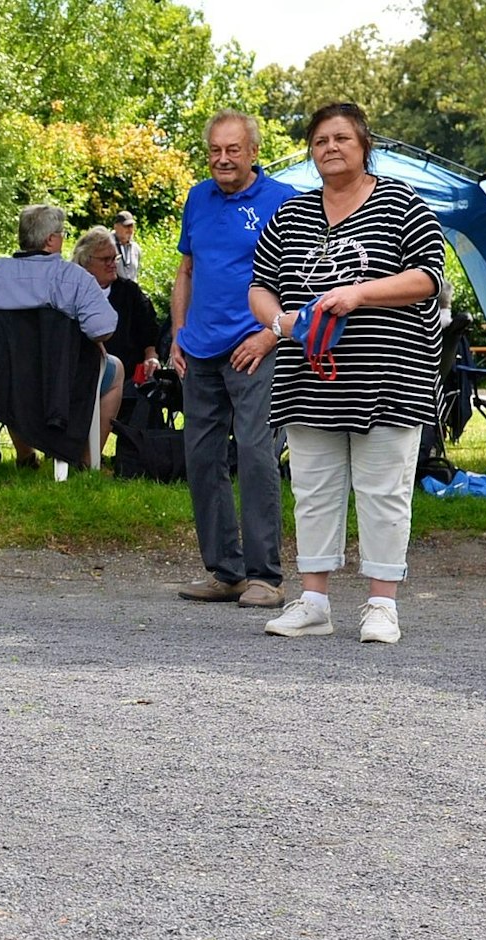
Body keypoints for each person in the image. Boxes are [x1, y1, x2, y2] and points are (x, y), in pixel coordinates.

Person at [250, 102, 446, 645]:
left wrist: (358, 294)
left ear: (364, 145)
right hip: (306, 373)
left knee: (384, 491)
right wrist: (279, 321)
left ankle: (382, 605)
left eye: (342, 138)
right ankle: (313, 602)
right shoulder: (289, 215)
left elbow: (429, 277)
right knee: (313, 489)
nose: (330, 147)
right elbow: (260, 285)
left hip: (389, 373)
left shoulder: (403, 202)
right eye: (320, 141)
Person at [169, 110, 299, 609]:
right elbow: (186, 271)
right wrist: (178, 333)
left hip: (255, 346)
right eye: (215, 151)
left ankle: (265, 576)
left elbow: (299, 280)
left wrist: (271, 336)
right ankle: (225, 572)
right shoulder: (198, 197)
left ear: (253, 152)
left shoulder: (283, 200)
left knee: (255, 452)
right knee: (201, 458)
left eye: (233, 150)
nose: (223, 159)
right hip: (199, 349)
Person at [0, 204, 117, 466]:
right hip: (54, 388)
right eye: (61, 233)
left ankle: (26, 453)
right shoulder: (74, 278)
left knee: (14, 372)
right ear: (51, 240)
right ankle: (85, 461)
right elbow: (102, 329)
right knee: (115, 370)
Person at [73, 226, 159, 448]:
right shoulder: (70, 292)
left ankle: (96, 456)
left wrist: (152, 355)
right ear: (85, 262)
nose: (113, 264)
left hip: (129, 373)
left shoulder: (129, 291)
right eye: (105, 259)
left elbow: (149, 329)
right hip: (78, 370)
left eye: (115, 258)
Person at [111, 210, 141, 282]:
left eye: (131, 226)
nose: (130, 230)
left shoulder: (136, 249)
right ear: (116, 227)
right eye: (126, 226)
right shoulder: (108, 246)